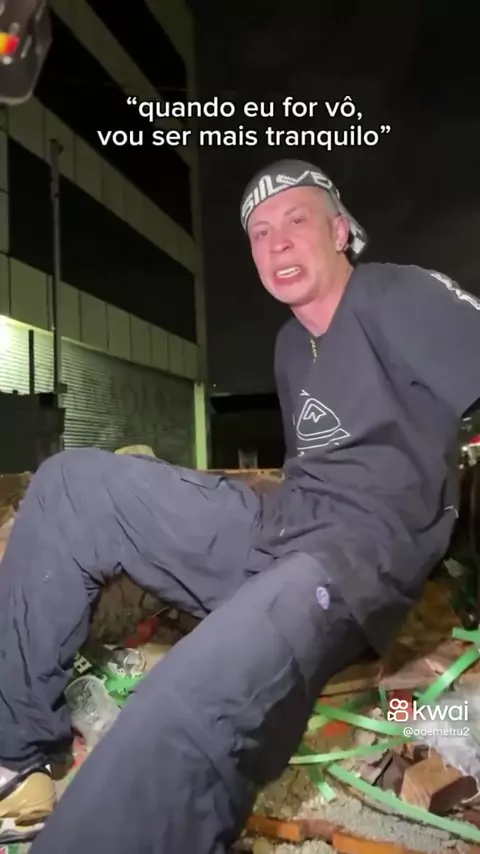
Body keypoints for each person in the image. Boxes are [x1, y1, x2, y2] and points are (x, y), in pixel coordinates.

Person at [0, 158, 478, 852]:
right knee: (73, 483)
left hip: (355, 556)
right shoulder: (291, 347)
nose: (277, 242)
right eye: (259, 232)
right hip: (284, 522)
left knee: (197, 693)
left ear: (339, 231)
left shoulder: (394, 294)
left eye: (296, 220)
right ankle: (16, 760)